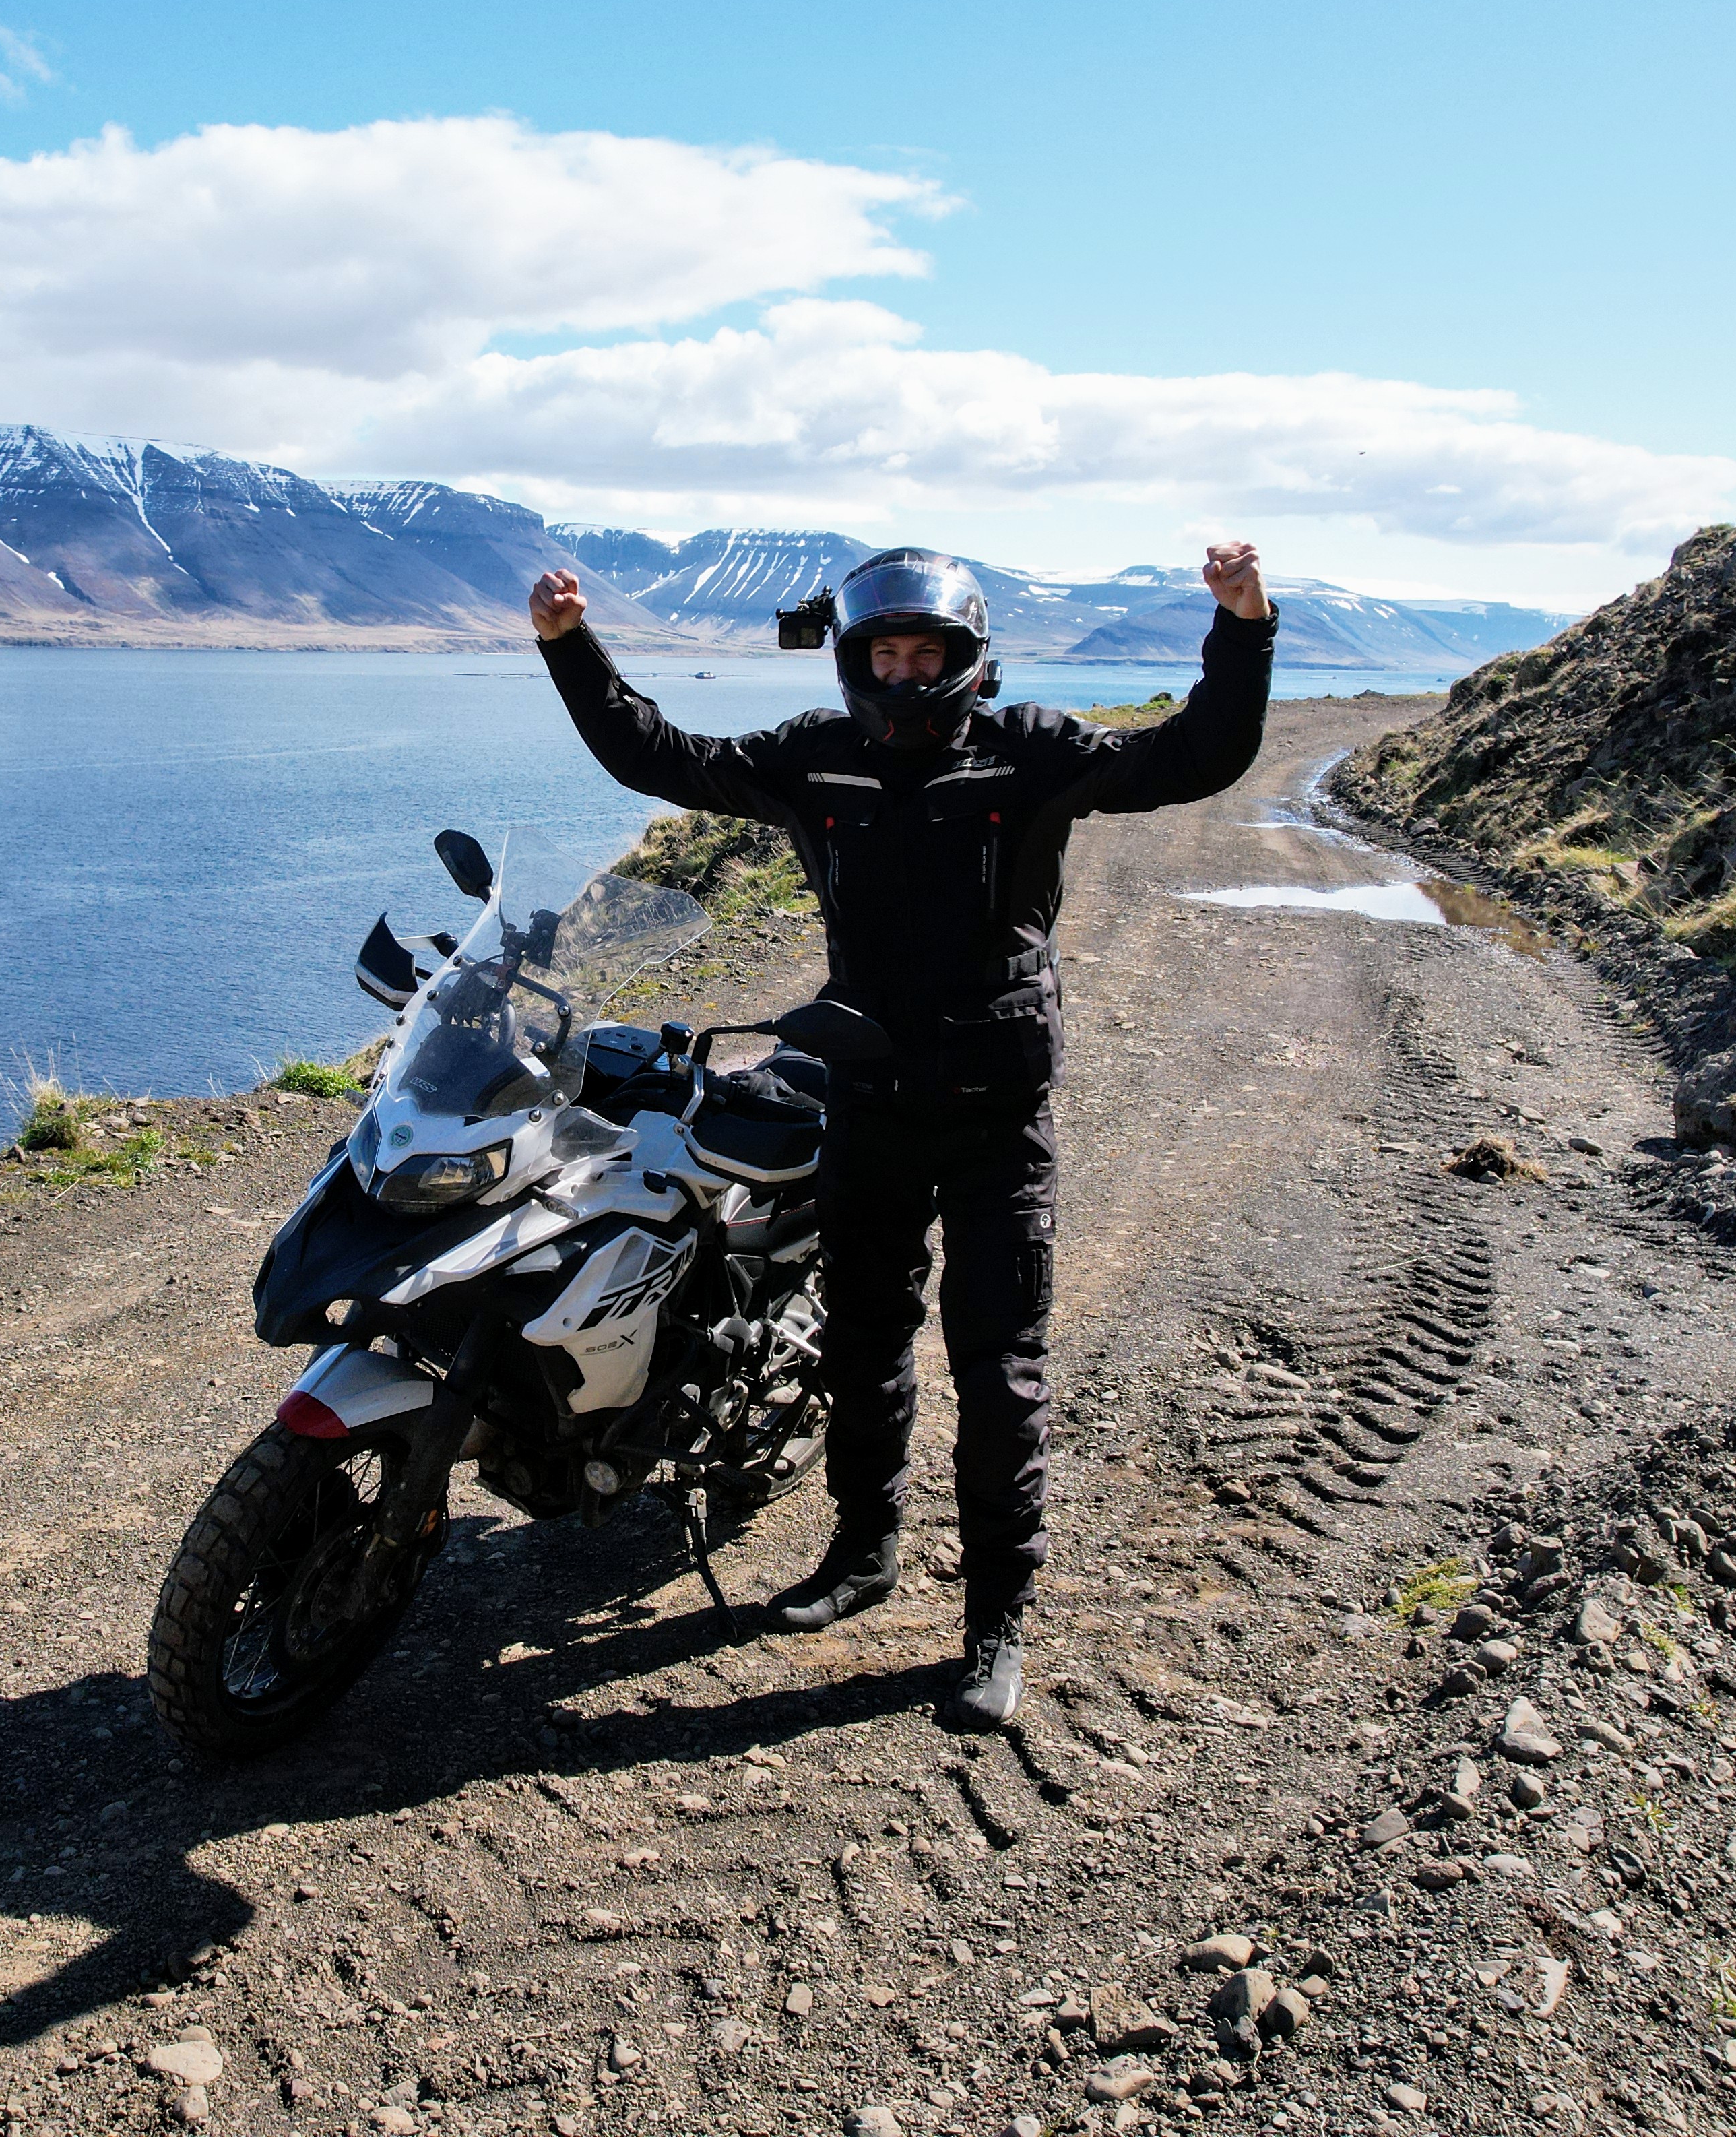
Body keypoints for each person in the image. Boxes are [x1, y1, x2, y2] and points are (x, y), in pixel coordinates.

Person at [528, 544, 1273, 1728]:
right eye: (887, 653)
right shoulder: (813, 757)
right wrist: (572, 650)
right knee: (864, 1346)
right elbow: (658, 755)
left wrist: (1241, 628)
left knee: (999, 1371)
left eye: (928, 653)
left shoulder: (1030, 750)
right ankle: (862, 1553)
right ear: (856, 660)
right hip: (866, 1102)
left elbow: (1197, 755)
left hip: (995, 1119)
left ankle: (995, 1621)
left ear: (966, 659)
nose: (906, 672)